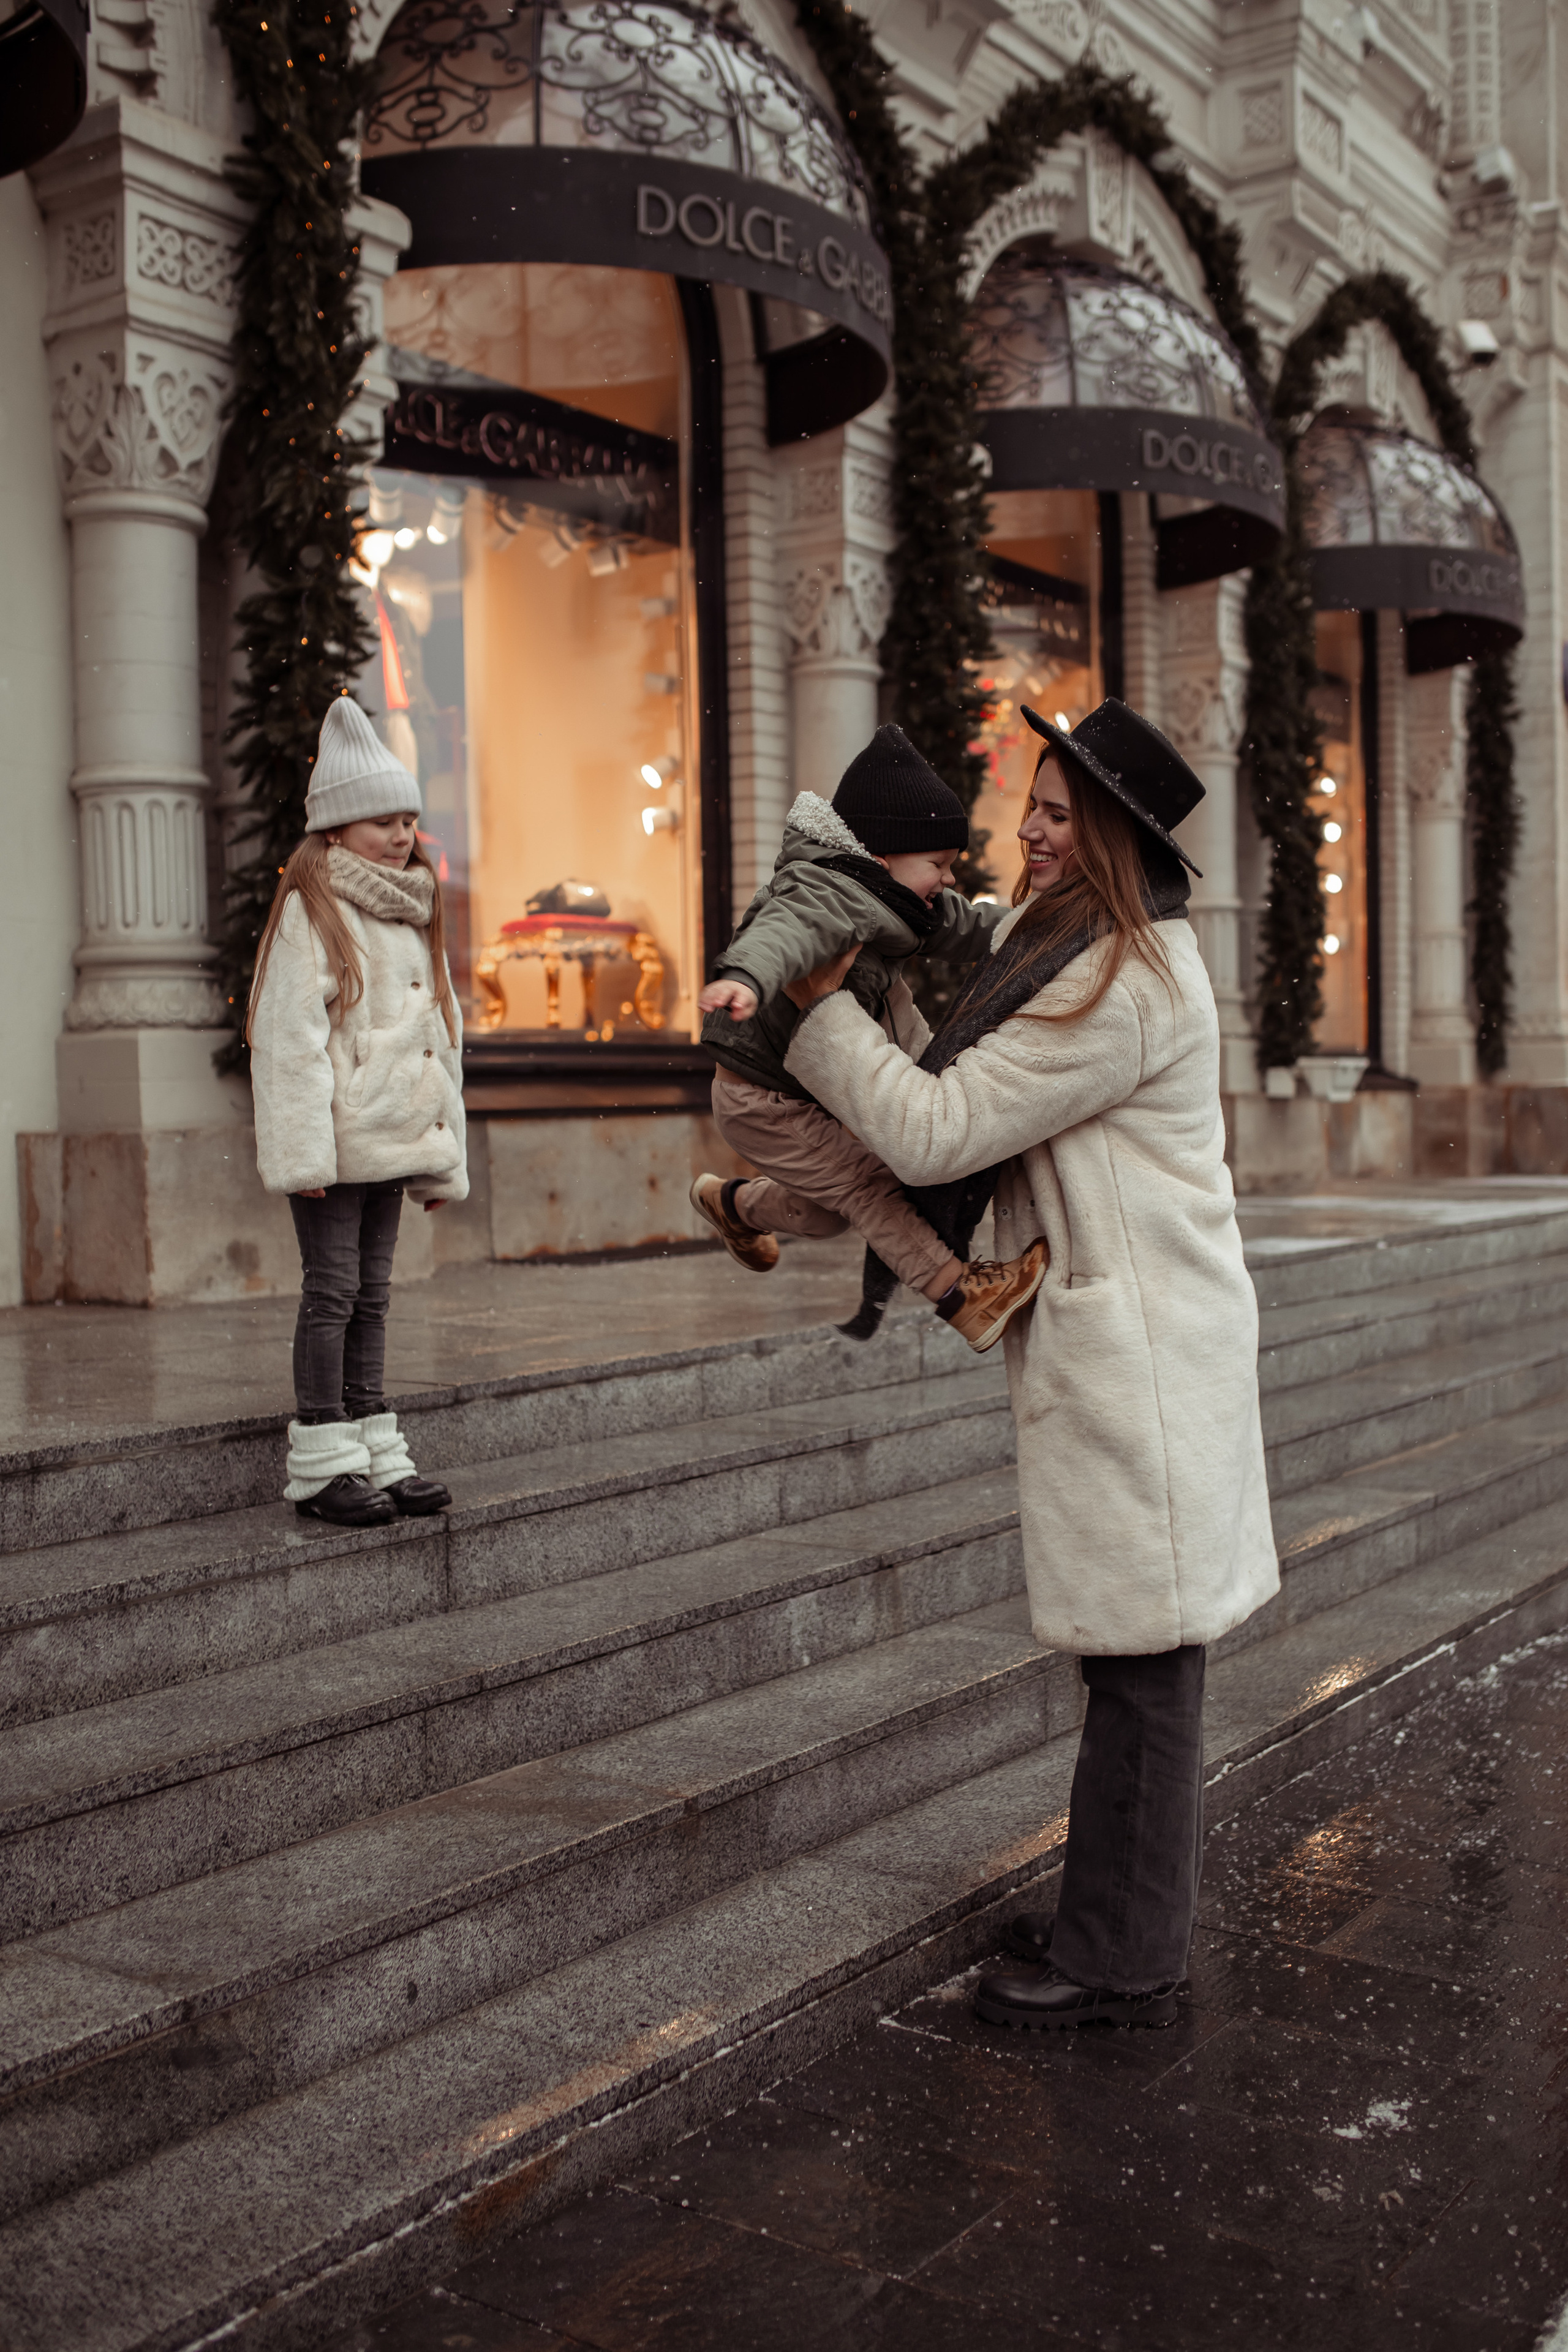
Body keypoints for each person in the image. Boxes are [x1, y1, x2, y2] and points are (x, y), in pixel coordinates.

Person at [782, 698, 1279, 2028]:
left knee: (1143, 1666)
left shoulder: (1122, 987)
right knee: (1136, 1662)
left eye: (1056, 812)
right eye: (1031, 808)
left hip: (1145, 1360)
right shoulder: (1084, 951)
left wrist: (820, 1016)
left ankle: (1117, 1951)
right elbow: (971, 947)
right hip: (1144, 1343)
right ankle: (1110, 1918)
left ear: (1108, 832)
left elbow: (938, 1131)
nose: (1028, 831)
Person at [691, 723, 1048, 1354]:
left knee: (829, 1212)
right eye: (937, 865)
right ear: (882, 855)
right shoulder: (823, 889)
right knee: (867, 1188)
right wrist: (745, 975)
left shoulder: (897, 896)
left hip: (801, 1095)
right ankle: (959, 1295)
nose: (947, 880)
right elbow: (783, 933)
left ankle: (734, 1206)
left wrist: (1040, 929)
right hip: (761, 1100)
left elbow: (968, 928)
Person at [247, 696, 468, 1528]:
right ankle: (323, 1453)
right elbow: (289, 1042)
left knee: (374, 1293)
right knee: (333, 1290)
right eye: (382, 820)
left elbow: (440, 1041)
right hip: (336, 1148)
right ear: (337, 829)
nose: (401, 833)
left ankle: (374, 1445)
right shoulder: (314, 911)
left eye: (409, 819)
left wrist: (441, 1158)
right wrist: (304, 1158)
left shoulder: (413, 912)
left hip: (393, 1144)